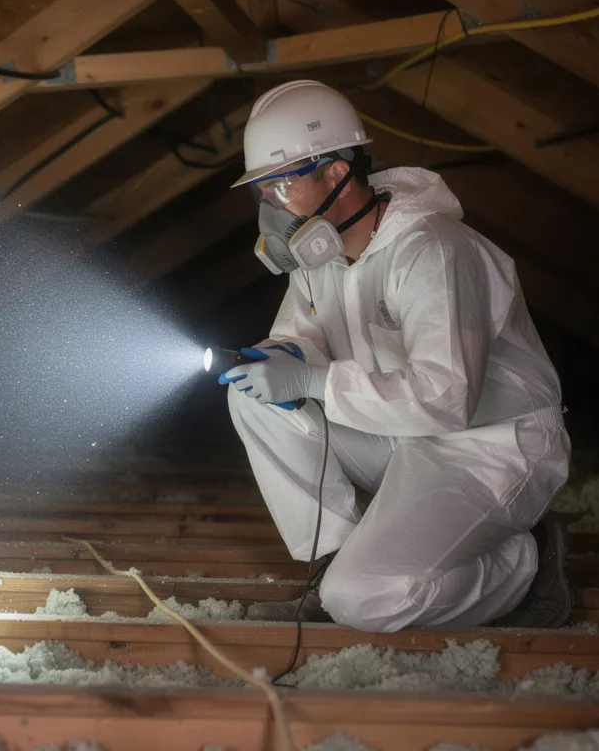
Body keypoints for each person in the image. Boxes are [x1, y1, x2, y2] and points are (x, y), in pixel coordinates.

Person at [220, 80, 572, 632]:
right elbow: (304, 341)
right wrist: (279, 357)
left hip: (489, 447)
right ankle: (334, 559)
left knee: (367, 600)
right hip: (402, 436)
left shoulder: (434, 249)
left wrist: (311, 378)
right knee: (255, 399)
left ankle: (520, 562)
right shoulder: (321, 257)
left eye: (281, 186)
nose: (271, 208)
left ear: (336, 172)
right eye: (263, 191)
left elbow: (448, 398)